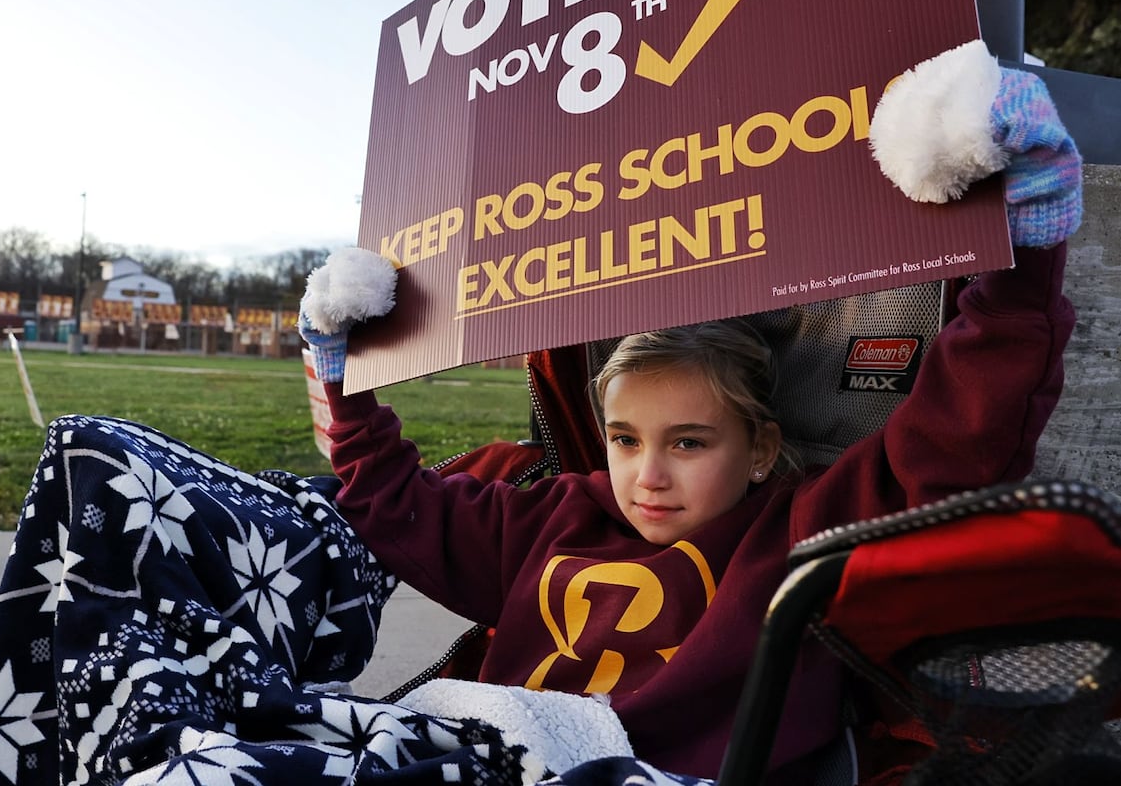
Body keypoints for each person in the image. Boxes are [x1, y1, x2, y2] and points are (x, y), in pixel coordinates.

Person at [297, 39, 1083, 783]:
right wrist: (343, 377)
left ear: (760, 447)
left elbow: (956, 444)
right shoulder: (545, 519)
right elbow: (389, 501)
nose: (649, 475)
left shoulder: (804, 534)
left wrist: (1027, 255)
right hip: (482, 747)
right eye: (624, 439)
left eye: (690, 442)